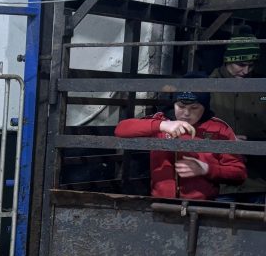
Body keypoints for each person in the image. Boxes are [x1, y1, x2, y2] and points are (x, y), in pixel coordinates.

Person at [114, 81, 246, 200]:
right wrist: (162, 125)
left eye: (194, 108)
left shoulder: (218, 128)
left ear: (205, 107)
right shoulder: (161, 121)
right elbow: (120, 129)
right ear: (174, 104)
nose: (186, 113)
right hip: (161, 203)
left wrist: (207, 169)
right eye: (181, 106)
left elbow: (239, 174)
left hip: (203, 206)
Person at [210, 32, 266, 202]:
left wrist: (251, 142)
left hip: (258, 180)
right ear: (228, 59)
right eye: (241, 64)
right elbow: (192, 127)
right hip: (220, 181)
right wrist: (227, 141)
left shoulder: (261, 86)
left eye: (251, 65)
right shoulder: (207, 85)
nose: (246, 71)